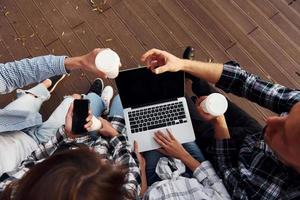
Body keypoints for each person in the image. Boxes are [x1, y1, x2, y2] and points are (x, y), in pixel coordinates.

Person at [141, 49, 300, 199]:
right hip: (253, 138)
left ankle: (181, 87)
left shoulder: (274, 194)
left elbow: (227, 169)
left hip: (230, 160)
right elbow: (243, 81)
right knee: (216, 101)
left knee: (191, 117)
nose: (270, 120)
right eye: (287, 114)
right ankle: (192, 75)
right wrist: (181, 64)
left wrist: (218, 123)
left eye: (284, 135)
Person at [0, 79, 141, 199]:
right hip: (113, 146)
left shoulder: (10, 189)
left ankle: (99, 101)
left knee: (90, 102)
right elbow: (131, 184)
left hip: (79, 139)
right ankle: (102, 103)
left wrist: (69, 135)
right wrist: (115, 135)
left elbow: (30, 162)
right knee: (120, 100)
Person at [0, 49, 106, 174]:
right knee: (79, 104)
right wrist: (68, 135)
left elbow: (6, 75)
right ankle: (96, 98)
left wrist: (79, 62)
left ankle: (46, 85)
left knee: (31, 97)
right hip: (37, 149)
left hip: (8, 123)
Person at [134, 129, 231, 200]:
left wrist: (141, 166)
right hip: (195, 173)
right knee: (180, 128)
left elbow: (142, 197)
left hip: (156, 181)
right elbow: (212, 181)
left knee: (150, 132)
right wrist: (182, 154)